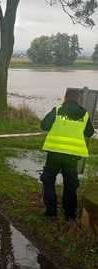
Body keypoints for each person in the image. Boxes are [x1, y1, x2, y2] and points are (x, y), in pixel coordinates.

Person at [40, 89, 95, 221]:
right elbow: (89, 133)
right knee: (70, 185)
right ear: (79, 99)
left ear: (65, 97)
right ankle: (69, 215)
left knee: (48, 181)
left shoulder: (58, 110)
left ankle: (51, 211)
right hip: (72, 157)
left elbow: (44, 125)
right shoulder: (84, 114)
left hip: (54, 154)